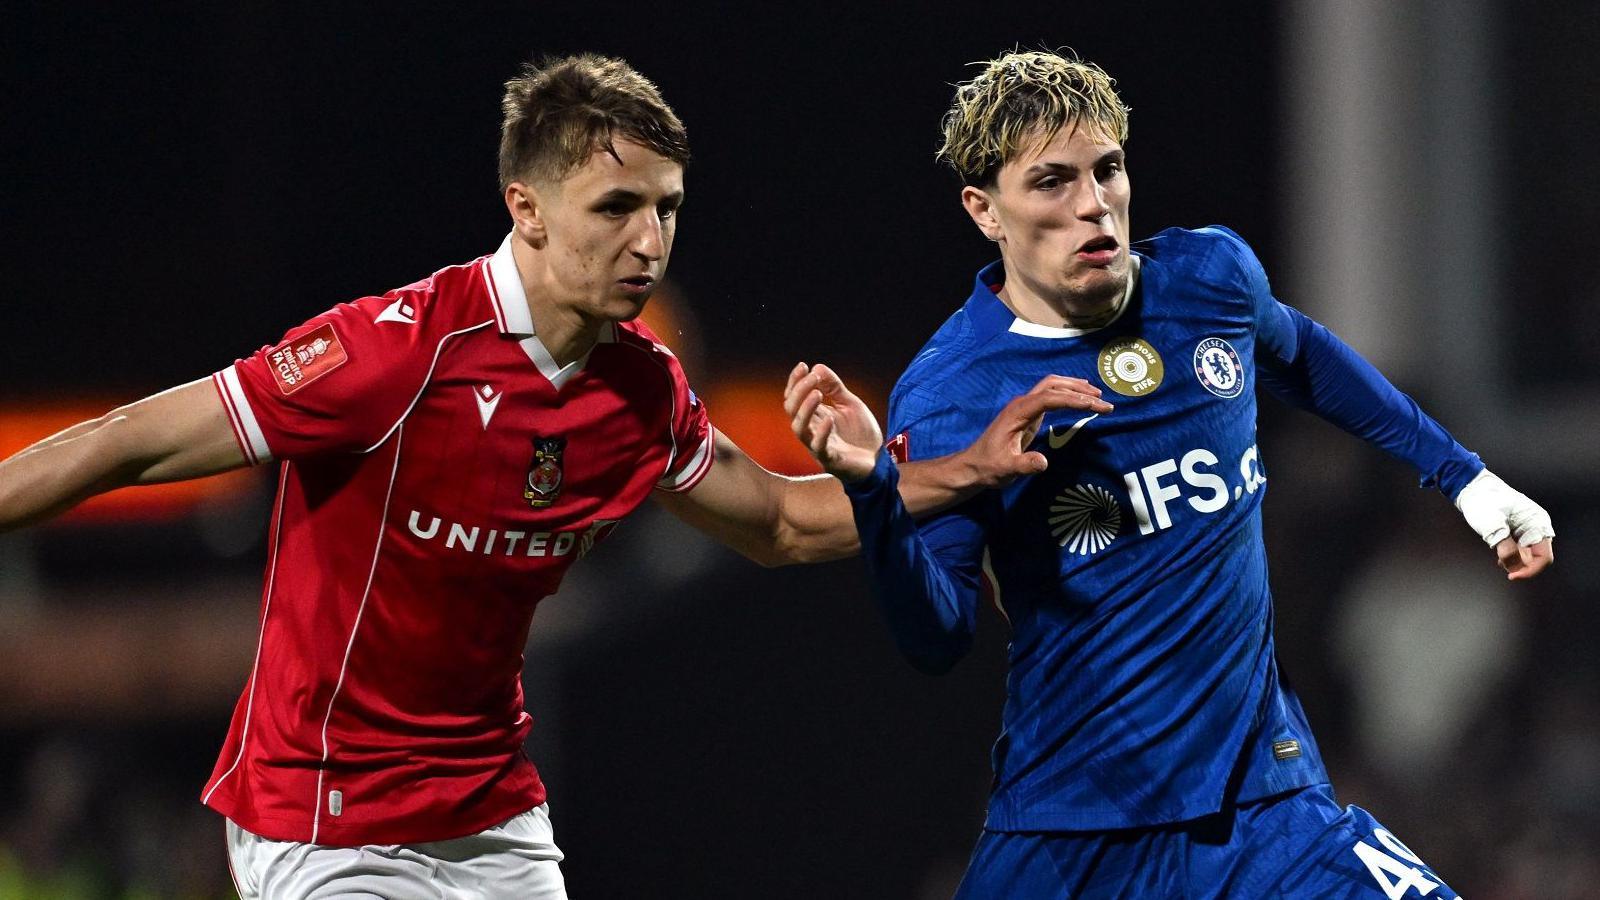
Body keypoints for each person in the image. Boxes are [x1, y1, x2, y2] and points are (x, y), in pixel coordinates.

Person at [0, 54, 1110, 898]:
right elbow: (127, 440)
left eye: (666, 208)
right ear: (525, 210)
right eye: (615, 209)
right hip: (323, 815)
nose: (649, 241)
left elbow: (777, 522)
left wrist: (965, 471)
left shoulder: (640, 390)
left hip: (490, 816)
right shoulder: (392, 355)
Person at [788, 50, 1555, 898]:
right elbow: (936, 636)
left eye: (1106, 169)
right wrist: (874, 490)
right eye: (1050, 183)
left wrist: (1467, 480)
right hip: (1073, 831)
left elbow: (1305, 357)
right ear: (985, 211)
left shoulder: (1208, 280)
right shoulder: (953, 393)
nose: (1093, 205)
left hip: (1267, 811)